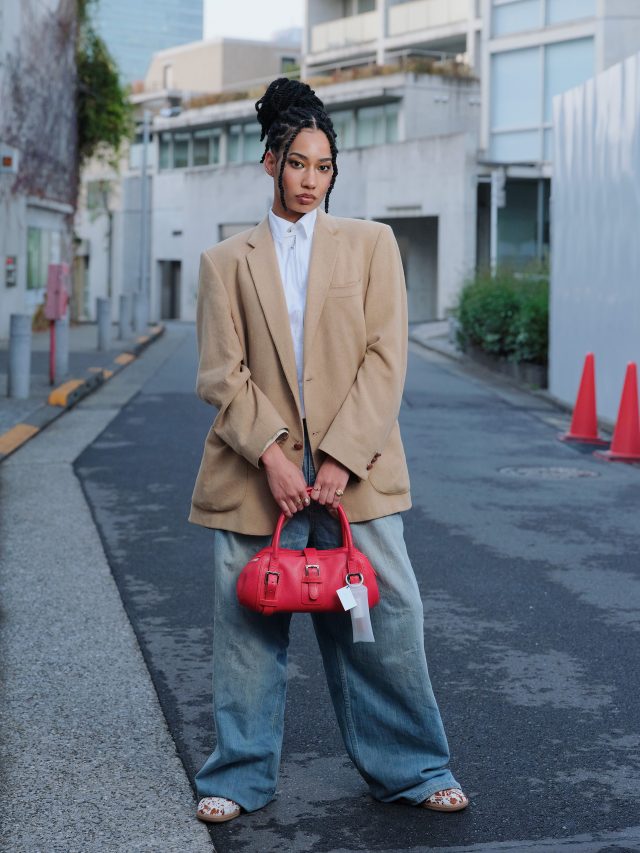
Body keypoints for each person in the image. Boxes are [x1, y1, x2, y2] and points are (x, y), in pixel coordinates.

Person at [189, 77, 468, 824]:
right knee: (248, 630)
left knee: (387, 618)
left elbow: (386, 356)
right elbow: (221, 373)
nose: (310, 180)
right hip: (257, 473)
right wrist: (275, 457)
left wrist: (342, 456)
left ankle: (415, 768)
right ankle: (239, 775)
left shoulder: (372, 245)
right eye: (297, 163)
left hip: (358, 472)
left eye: (324, 166)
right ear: (270, 162)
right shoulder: (225, 261)